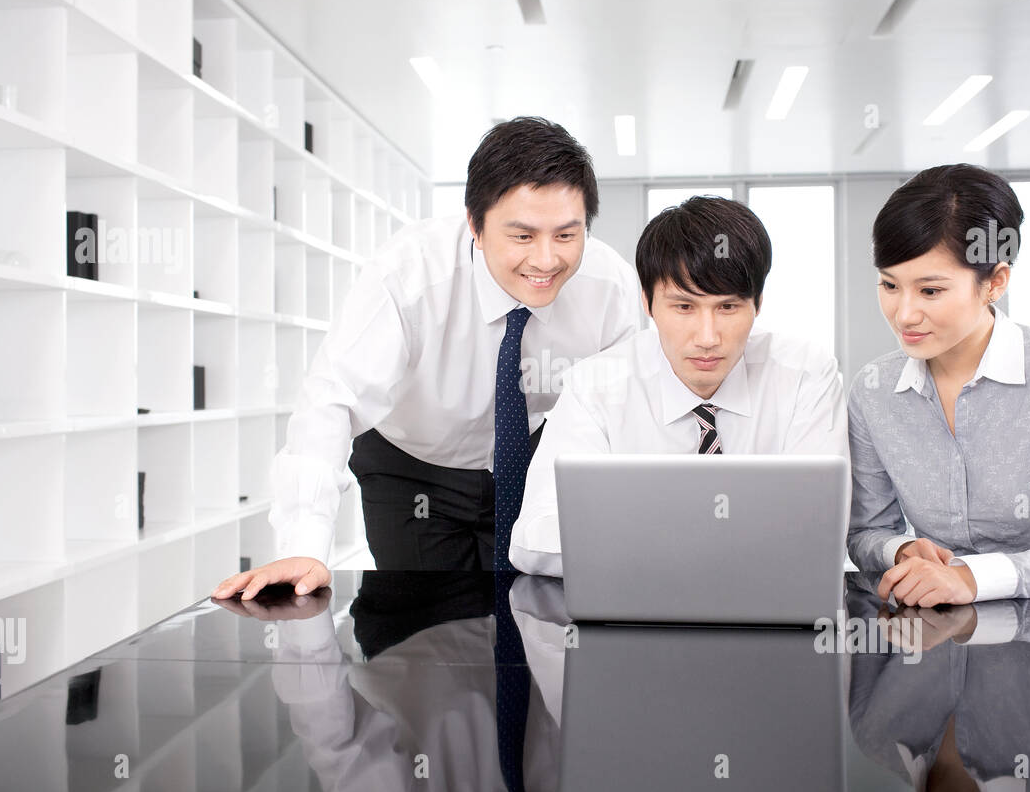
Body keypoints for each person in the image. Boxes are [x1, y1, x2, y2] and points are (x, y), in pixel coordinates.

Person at [213, 117, 642, 600]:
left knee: (535, 618)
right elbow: (332, 400)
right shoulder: (408, 274)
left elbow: (623, 411)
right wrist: (304, 544)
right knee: (423, 636)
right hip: (413, 466)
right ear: (475, 224)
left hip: (535, 458)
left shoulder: (610, 285)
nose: (546, 261)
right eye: (522, 236)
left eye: (567, 235)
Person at [509, 195, 849, 577]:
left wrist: (632, 533)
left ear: (758, 303)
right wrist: (690, 542)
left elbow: (818, 531)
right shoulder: (595, 387)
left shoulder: (806, 376)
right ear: (647, 303)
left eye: (728, 308)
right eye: (684, 307)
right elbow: (532, 541)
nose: (707, 337)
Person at [847, 163, 1030, 606]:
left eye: (930, 291)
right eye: (889, 284)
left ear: (995, 283)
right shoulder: (872, 389)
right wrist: (901, 549)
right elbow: (866, 532)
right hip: (928, 636)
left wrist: (972, 578)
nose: (903, 314)